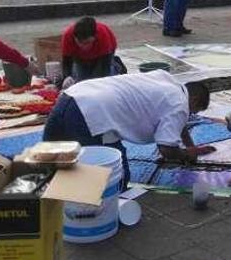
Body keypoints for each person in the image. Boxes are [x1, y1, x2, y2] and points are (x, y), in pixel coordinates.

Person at [44, 72, 215, 188]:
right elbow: (167, 148)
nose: (190, 114)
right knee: (115, 181)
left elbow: (180, 122)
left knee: (48, 162)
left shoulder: (167, 79)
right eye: (194, 110)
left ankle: (43, 192)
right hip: (91, 114)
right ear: (193, 98)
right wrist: (186, 154)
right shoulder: (179, 105)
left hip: (70, 96)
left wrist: (191, 145)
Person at [60, 17, 121, 87]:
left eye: (87, 43)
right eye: (79, 42)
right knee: (81, 80)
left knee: (99, 81)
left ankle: (116, 66)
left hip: (103, 55)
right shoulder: (68, 36)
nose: (83, 46)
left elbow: (104, 65)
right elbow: (67, 60)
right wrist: (67, 76)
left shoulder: (103, 35)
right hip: (79, 56)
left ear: (95, 36)